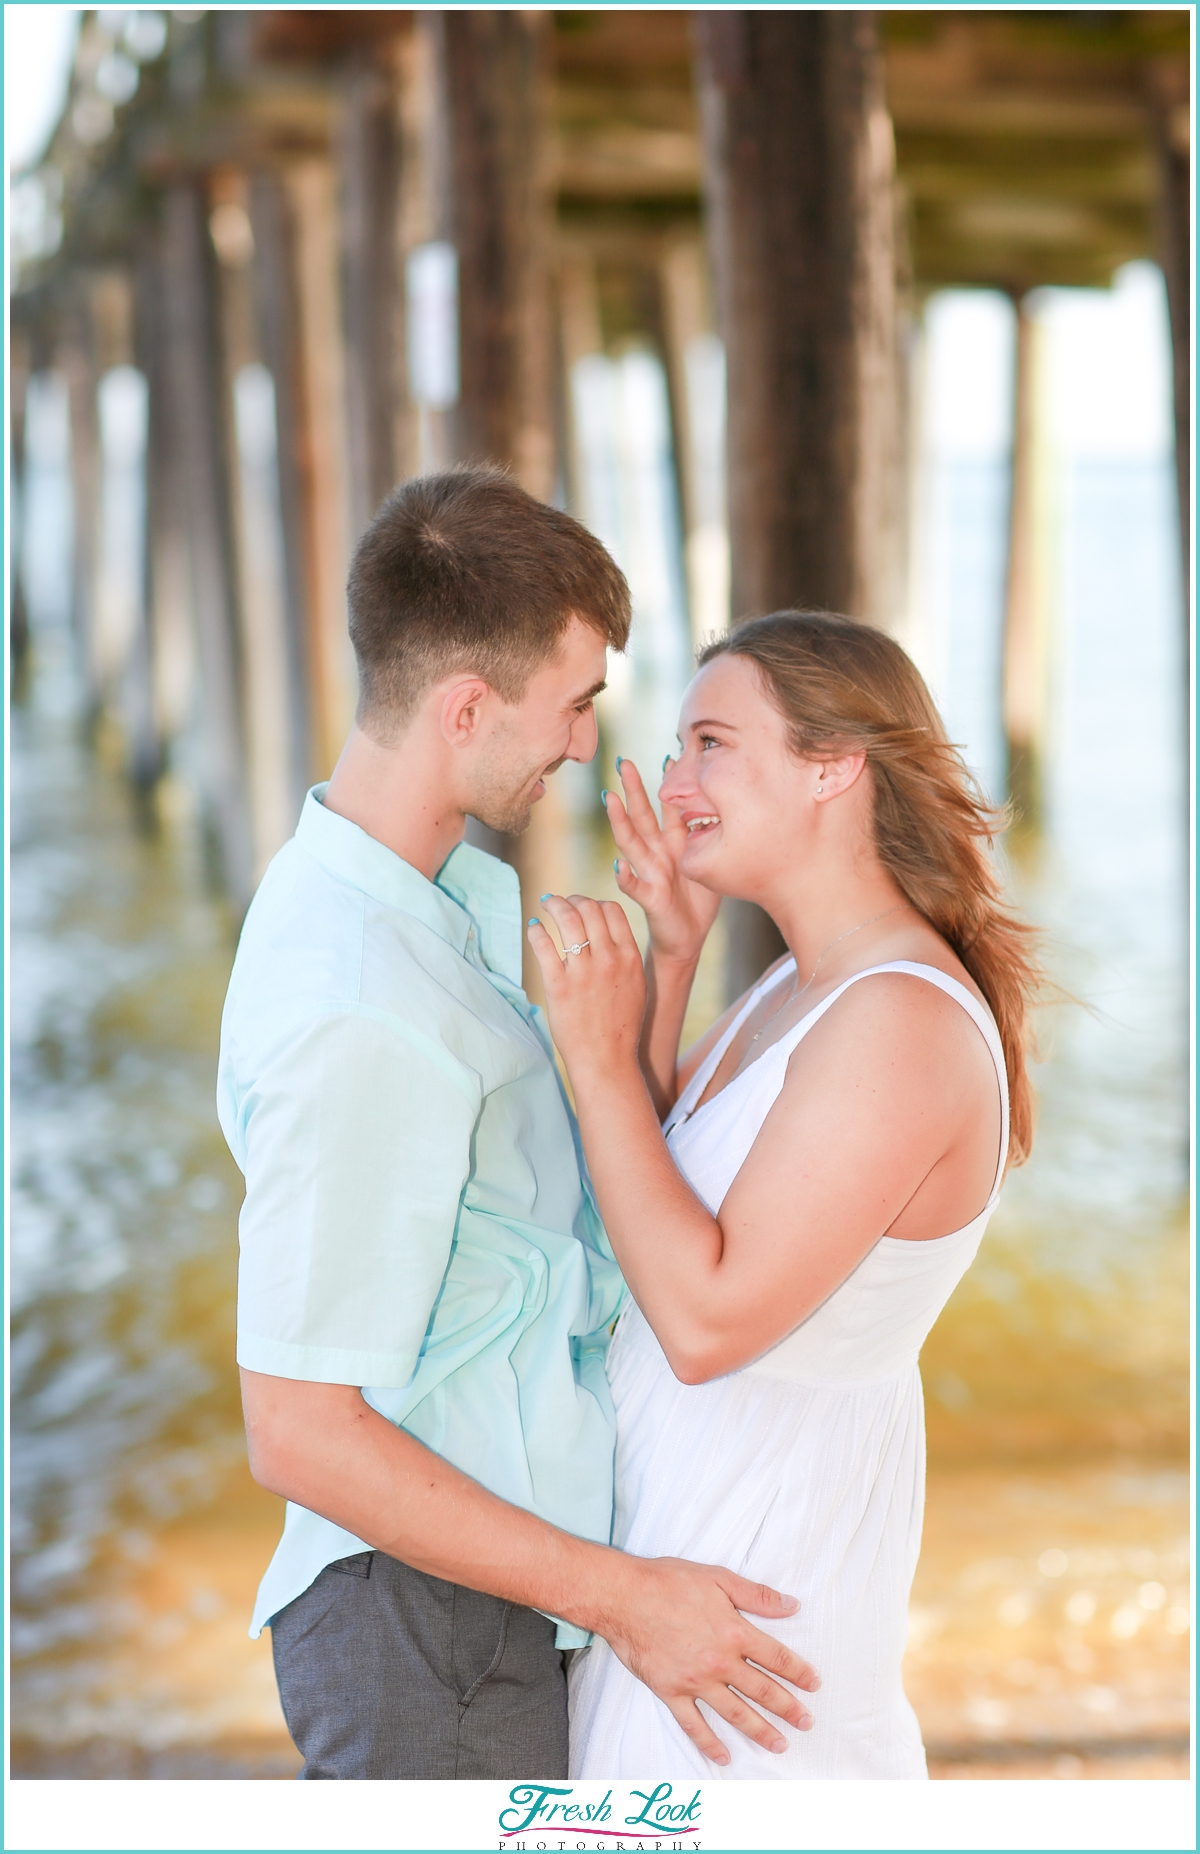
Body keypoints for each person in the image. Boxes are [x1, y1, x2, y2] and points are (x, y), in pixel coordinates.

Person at [218, 469, 819, 1781]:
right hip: (422, 1621)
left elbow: (558, 1227)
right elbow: (302, 1428)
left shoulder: (429, 908)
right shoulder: (363, 1004)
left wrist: (662, 961)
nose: (582, 743)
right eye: (575, 703)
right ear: (467, 706)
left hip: (476, 1596)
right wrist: (628, 1597)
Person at [527, 610, 1041, 1778]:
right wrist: (667, 960)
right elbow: (657, 1199)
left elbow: (705, 1321)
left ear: (833, 767)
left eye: (712, 741)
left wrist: (597, 1059)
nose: (674, 778)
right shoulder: (795, 988)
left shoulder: (901, 1020)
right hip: (681, 1585)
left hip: (757, 1612)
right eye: (676, 746)